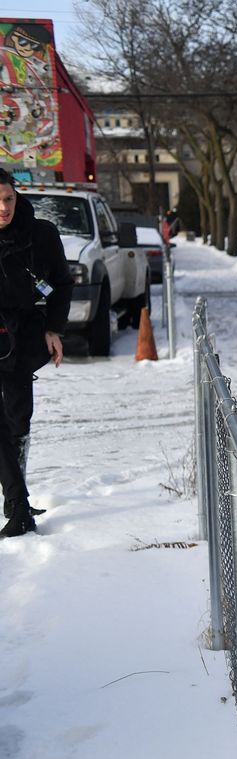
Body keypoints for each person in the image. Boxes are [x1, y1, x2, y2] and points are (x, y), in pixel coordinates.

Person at [0, 167, 69, 537]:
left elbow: (61, 283)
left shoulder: (39, 234)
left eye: (8, 199)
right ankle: (18, 506)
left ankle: (16, 503)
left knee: (17, 419)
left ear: (17, 197)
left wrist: (54, 328)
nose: (3, 208)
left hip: (22, 339)